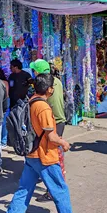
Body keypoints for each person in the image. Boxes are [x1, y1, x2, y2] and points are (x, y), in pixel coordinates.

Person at [0, 73, 89, 213]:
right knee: (60, 191)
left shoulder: (31, 101)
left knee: (24, 190)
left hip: (31, 155)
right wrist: (64, 143)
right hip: (45, 156)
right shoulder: (44, 107)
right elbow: (51, 136)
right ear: (49, 89)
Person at [29, 59, 67, 203]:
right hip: (59, 120)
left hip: (53, 123)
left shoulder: (44, 86)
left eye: (34, 70)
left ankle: (54, 189)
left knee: (52, 156)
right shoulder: (56, 81)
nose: (33, 73)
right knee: (54, 155)